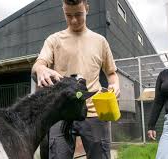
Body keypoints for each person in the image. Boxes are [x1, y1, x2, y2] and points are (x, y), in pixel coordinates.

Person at [31, 0, 120, 158]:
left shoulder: (100, 41)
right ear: (63, 10)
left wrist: (114, 84)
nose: (73, 20)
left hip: (93, 112)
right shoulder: (53, 40)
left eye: (78, 14)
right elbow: (39, 64)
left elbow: (112, 73)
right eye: (68, 15)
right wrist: (40, 68)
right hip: (61, 112)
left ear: (87, 8)